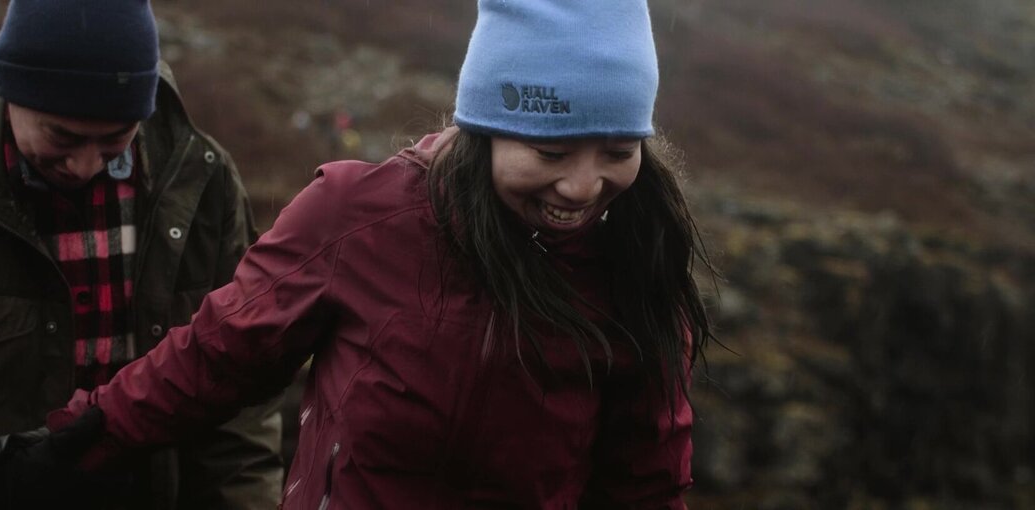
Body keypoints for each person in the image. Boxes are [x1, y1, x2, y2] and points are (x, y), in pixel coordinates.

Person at [49, 0, 713, 507]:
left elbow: (647, 482)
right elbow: (213, 358)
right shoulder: (358, 217)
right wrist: (65, 444)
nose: (583, 185)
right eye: (550, 152)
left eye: (619, 153)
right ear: (485, 127)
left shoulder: (637, 259)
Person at [0, 0, 284, 509]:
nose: (86, 164)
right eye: (62, 137)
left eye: (115, 140)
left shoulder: (203, 181)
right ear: (10, 93)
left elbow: (235, 398)